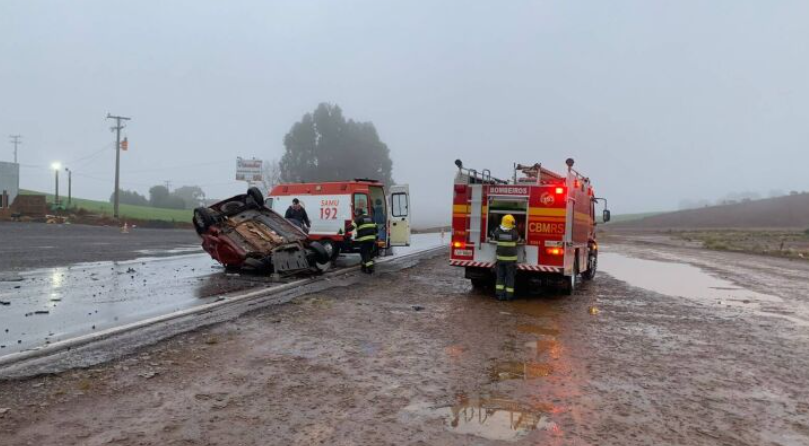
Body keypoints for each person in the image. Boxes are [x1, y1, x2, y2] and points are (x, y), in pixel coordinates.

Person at [493, 214, 520, 301]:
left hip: (500, 259)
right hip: (510, 261)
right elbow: (518, 239)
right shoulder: (514, 233)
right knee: (510, 277)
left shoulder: (498, 232)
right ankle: (509, 296)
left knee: (500, 277)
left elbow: (495, 236)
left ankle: (499, 295)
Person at [352, 208, 378, 274]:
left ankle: (371, 269)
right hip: (372, 239)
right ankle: (363, 268)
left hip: (364, 239)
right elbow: (376, 228)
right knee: (367, 254)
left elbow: (351, 227)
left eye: (356, 213)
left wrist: (343, 230)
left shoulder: (358, 218)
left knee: (364, 254)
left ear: (358, 212)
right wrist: (376, 237)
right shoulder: (371, 218)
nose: (355, 214)